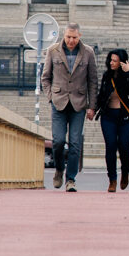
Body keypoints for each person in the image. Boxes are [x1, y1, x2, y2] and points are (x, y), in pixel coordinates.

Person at [41, 23, 98, 192]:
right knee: (58, 141)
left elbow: (93, 81)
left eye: (74, 37)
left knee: (75, 143)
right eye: (68, 37)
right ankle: (59, 169)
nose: (71, 40)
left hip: (78, 104)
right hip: (58, 103)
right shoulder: (53, 50)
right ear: (63, 35)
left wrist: (92, 106)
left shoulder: (88, 52)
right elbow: (45, 78)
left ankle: (70, 179)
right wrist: (51, 97)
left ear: (79, 36)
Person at [96, 48, 129, 193]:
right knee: (110, 147)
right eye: (111, 60)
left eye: (115, 60)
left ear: (122, 62)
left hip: (126, 117)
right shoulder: (106, 76)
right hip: (108, 116)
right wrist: (93, 109)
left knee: (124, 147)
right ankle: (112, 180)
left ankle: (125, 173)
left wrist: (128, 72)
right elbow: (102, 95)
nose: (111, 63)